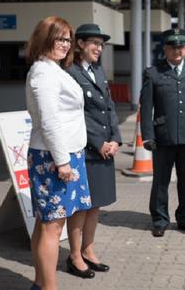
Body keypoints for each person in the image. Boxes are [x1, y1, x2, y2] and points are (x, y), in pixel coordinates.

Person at [25, 16, 92, 290]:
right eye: (59, 38)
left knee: (46, 224)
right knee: (52, 227)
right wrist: (63, 162)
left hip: (61, 154)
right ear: (44, 38)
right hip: (54, 158)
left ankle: (41, 284)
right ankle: (48, 287)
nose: (65, 45)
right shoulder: (43, 73)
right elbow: (50, 120)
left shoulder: (52, 69)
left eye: (68, 39)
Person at [139, 28, 185, 237]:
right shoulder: (153, 73)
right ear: (165, 48)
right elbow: (146, 107)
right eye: (172, 46)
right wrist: (148, 136)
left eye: (181, 46)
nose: (177, 50)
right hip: (163, 137)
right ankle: (160, 219)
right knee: (161, 181)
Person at [65, 23, 121, 278]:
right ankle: (74, 256)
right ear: (80, 44)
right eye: (95, 43)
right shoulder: (70, 72)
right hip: (84, 149)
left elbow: (109, 107)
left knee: (96, 203)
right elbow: (77, 115)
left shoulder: (97, 71)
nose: (99, 48)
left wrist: (116, 139)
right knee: (81, 206)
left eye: (101, 44)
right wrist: (99, 142)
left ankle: (88, 250)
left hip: (103, 148)